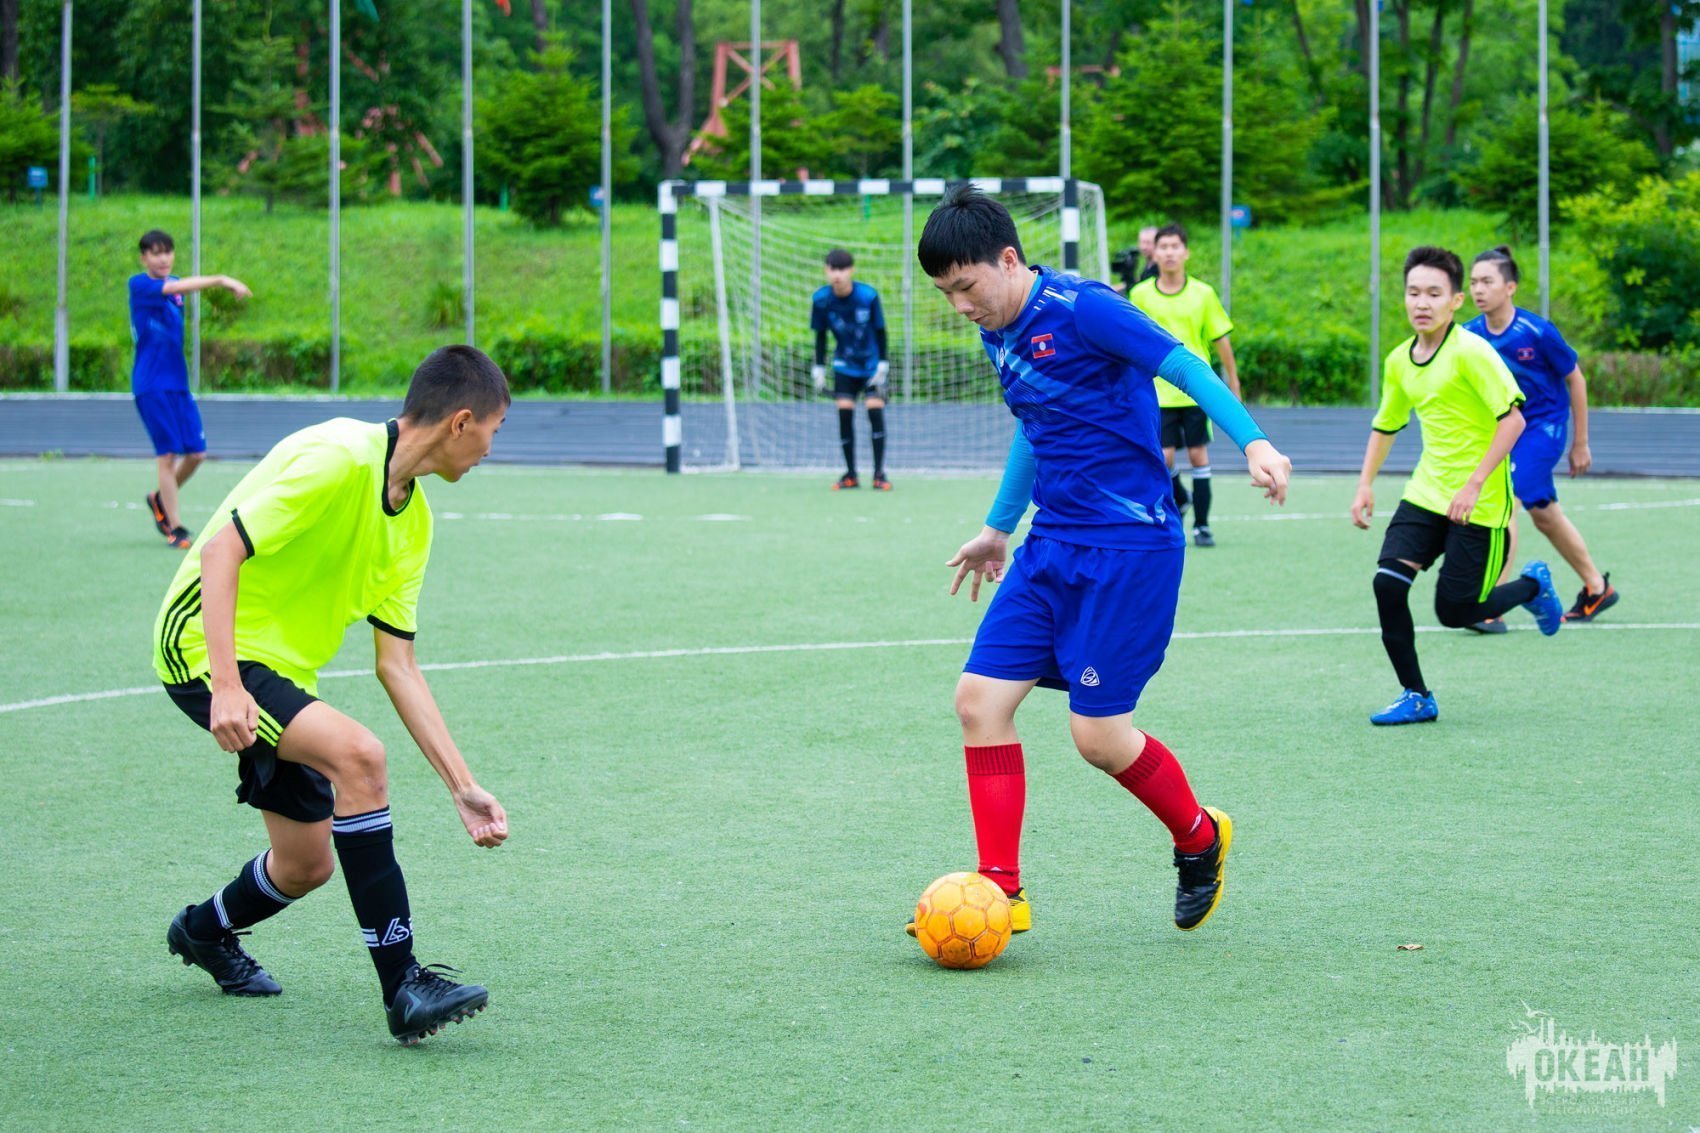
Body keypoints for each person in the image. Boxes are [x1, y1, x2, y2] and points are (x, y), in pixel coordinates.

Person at [906, 185, 1292, 940]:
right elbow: (1036, 425)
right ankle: (1000, 890)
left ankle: (1199, 837)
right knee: (978, 702)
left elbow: (1185, 365)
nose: (960, 305)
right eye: (946, 293)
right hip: (1051, 545)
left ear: (1008, 260)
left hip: (1129, 550)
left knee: (1099, 739)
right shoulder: (998, 330)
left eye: (966, 286)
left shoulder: (1086, 309)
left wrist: (1253, 441)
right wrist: (997, 529)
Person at [154, 345, 511, 1045]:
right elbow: (221, 549)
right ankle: (404, 984)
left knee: (305, 864)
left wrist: (461, 785)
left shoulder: (415, 524)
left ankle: (203, 930)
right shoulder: (339, 458)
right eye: (494, 430)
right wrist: (225, 683)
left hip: (284, 673)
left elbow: (397, 665)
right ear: (461, 422)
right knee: (360, 757)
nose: (491, 449)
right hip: (203, 645)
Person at [1351, 247, 1567, 726]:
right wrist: (1365, 485)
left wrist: (1473, 484)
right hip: (1426, 493)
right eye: (1413, 293)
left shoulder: (1472, 352)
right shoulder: (1399, 360)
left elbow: (1513, 421)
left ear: (1455, 301)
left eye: (1434, 293)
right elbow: (1386, 425)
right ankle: (1416, 695)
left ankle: (1532, 586)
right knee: (1387, 584)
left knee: (1456, 611)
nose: (1421, 303)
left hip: (1480, 501)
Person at [1463, 246, 1619, 628]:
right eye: (1473, 282)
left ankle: (1492, 605)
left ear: (1510, 287)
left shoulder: (1537, 332)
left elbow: (1576, 379)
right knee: (1545, 516)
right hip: (1505, 431)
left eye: (1487, 281)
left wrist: (1580, 442)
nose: (1478, 289)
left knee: (1505, 500)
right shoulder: (1468, 336)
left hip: (1542, 429)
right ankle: (1597, 587)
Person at [129, 229, 252, 549]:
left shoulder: (176, 289)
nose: (163, 258)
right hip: (151, 384)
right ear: (144, 258)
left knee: (196, 454)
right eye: (156, 253)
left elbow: (178, 287)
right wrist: (222, 280)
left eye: (168, 252)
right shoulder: (140, 285)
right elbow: (174, 287)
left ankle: (158, 499)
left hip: (178, 384)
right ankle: (175, 527)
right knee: (167, 455)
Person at [1128, 224, 1242, 547]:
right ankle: (1181, 498)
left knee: (1197, 455)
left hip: (1195, 392)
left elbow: (1221, 340)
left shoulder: (1203, 294)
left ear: (1186, 252)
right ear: (1154, 253)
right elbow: (1131, 339)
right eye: (1163, 247)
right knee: (1163, 457)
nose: (1169, 253)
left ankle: (1202, 526)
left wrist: (1233, 382)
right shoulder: (1140, 295)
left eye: (1175, 246)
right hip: (1157, 392)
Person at [810, 249, 891, 490]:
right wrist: (819, 367)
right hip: (844, 365)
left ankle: (879, 474)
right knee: (844, 413)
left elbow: (880, 331)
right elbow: (821, 336)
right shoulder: (821, 300)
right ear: (826, 271)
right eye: (833, 269)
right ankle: (851, 474)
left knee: (874, 410)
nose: (837, 275)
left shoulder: (868, 296)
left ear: (851, 270)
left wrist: (883, 363)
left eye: (842, 269)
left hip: (871, 365)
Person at [1111, 225, 1160, 294]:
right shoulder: (1149, 263)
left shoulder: (1160, 267)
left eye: (1148, 243)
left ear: (1157, 243)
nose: (1144, 247)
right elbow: (1143, 281)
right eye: (1142, 242)